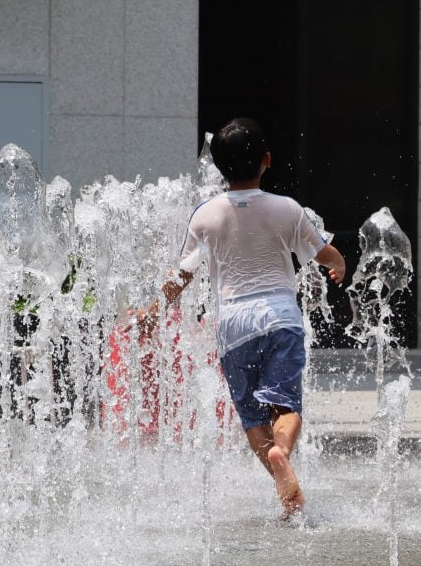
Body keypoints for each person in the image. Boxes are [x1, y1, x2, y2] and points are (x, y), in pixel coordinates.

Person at [138, 117, 345, 520]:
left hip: (234, 326)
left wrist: (152, 310)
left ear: (218, 169)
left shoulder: (205, 215)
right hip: (281, 317)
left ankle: (282, 484)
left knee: (252, 415)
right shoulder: (287, 208)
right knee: (285, 405)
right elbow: (322, 252)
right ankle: (283, 451)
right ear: (267, 160)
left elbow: (182, 274)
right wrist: (338, 261)